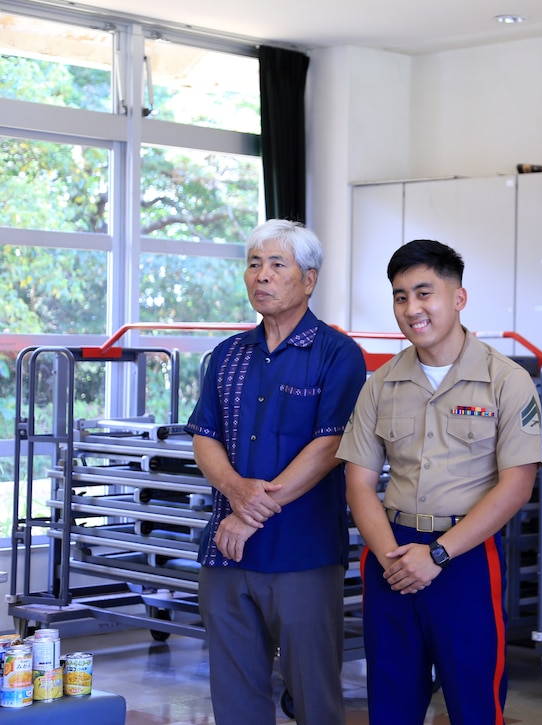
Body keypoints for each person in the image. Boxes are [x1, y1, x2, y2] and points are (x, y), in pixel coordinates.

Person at [336, 239, 542, 725]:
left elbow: (516, 485)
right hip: (391, 555)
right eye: (400, 296)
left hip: (465, 558)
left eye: (424, 292)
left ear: (458, 297)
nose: (412, 309)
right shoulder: (380, 384)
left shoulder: (506, 380)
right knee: (391, 700)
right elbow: (359, 482)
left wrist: (439, 554)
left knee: (473, 701)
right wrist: (393, 558)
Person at [186, 219, 366, 724]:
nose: (261, 276)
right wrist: (235, 489)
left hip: (301, 555)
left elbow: (330, 444)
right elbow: (205, 437)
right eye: (253, 264)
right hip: (226, 557)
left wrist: (250, 511)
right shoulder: (227, 356)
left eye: (276, 265)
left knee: (314, 698)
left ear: (308, 280)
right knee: (235, 696)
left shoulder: (338, 355)